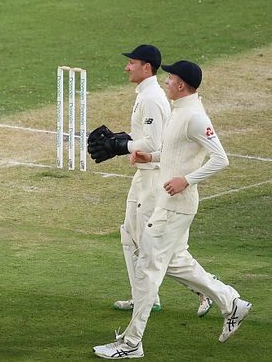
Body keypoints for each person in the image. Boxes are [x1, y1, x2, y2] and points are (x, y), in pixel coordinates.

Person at [93, 60, 252, 359]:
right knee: (178, 263)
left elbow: (221, 159)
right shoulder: (179, 112)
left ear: (181, 85)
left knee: (147, 270)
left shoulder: (194, 116)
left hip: (175, 207)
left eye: (170, 78)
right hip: (169, 205)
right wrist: (149, 156)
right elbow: (174, 151)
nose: (164, 81)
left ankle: (131, 343)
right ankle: (231, 301)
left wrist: (186, 181)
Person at [88, 45, 213, 316]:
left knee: (157, 249)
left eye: (132, 62)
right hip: (142, 177)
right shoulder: (146, 95)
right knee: (128, 237)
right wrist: (123, 142)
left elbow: (156, 143)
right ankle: (144, 297)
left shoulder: (153, 98)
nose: (127, 67)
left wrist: (122, 145)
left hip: (156, 181)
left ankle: (205, 291)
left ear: (147, 67)